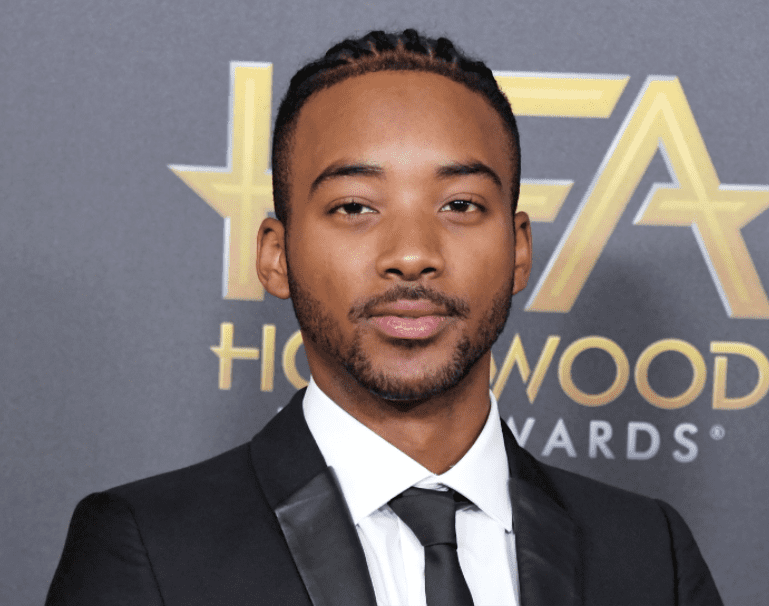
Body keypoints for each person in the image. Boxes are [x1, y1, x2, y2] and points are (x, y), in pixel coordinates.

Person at [46, 29, 722, 605]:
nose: (410, 255)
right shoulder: (151, 548)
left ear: (518, 252)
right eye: (354, 207)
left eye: (458, 206)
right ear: (276, 255)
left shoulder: (646, 555)